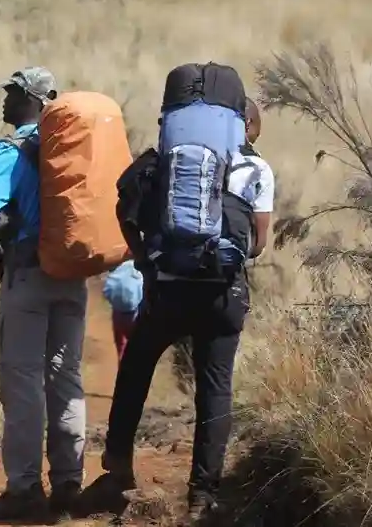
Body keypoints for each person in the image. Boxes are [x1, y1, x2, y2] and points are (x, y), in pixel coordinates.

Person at [101, 92, 274, 519]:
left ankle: (118, 466)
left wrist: (145, 260)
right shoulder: (258, 168)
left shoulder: (169, 160)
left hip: (169, 290)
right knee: (215, 389)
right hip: (222, 294)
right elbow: (258, 246)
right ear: (246, 128)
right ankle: (203, 494)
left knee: (137, 363)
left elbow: (126, 206)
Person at [0, 67, 87, 521]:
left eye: (14, 93)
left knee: (21, 382)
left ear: (34, 101)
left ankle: (23, 490)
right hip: (72, 273)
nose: (5, 100)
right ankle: (68, 485)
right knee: (66, 377)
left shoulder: (11, 150)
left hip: (28, 272)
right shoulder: (73, 149)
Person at [101, 260, 144, 364]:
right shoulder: (142, 261)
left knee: (121, 349)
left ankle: (123, 376)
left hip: (118, 311)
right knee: (139, 351)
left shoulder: (119, 261)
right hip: (137, 311)